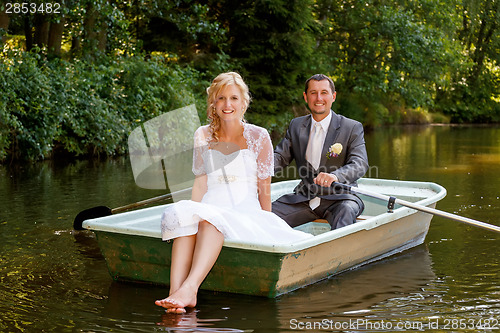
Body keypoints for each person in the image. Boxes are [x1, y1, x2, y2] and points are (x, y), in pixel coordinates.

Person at [155, 72, 312, 314]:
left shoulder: (259, 136)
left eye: (234, 98)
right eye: (221, 98)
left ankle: (190, 289)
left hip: (243, 209)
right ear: (213, 104)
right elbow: (201, 181)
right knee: (183, 217)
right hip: (210, 202)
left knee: (210, 222)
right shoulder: (202, 135)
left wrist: (266, 220)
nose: (228, 105)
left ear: (244, 102)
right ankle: (175, 294)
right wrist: (190, 213)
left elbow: (264, 187)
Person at [273, 74, 369, 230]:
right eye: (313, 93)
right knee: (265, 215)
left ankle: (339, 254)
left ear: (333, 96)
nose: (319, 98)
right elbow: (279, 158)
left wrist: (336, 176)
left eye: (324, 92)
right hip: (304, 197)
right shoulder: (296, 125)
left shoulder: (351, 128)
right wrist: (256, 168)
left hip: (340, 198)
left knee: (345, 211)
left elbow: (360, 163)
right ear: (306, 97)